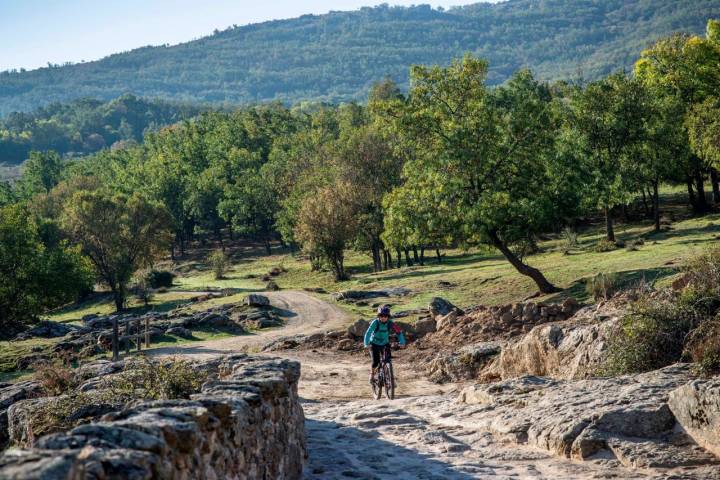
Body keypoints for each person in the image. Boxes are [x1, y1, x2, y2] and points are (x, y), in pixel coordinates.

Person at [363, 305, 406, 384]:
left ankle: (390, 378)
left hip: (385, 344)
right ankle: (372, 375)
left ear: (388, 317)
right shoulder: (375, 323)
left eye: (385, 316)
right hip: (374, 344)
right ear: (378, 316)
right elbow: (368, 333)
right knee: (376, 362)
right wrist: (366, 344)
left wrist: (402, 342)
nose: (383, 317)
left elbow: (399, 332)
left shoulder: (390, 323)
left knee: (388, 360)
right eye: (381, 315)